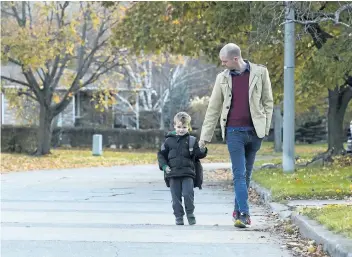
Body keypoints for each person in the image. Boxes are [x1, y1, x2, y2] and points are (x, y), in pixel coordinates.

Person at [199, 43, 273, 228]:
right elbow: (213, 109)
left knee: (246, 175)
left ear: (235, 58)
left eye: (224, 61)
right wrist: (204, 137)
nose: (222, 65)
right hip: (233, 132)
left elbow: (268, 102)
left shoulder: (260, 73)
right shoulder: (222, 78)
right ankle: (245, 214)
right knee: (239, 174)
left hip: (255, 132)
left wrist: (264, 129)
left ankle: (236, 211)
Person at [157, 112, 207, 225]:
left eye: (184, 127)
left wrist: (202, 148)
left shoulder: (191, 140)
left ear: (188, 127)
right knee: (176, 197)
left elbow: (198, 154)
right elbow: (161, 155)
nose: (181, 130)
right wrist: (164, 166)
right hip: (173, 174)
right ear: (174, 126)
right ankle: (179, 216)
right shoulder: (168, 141)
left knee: (188, 194)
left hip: (188, 173)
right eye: (179, 127)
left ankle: (190, 214)